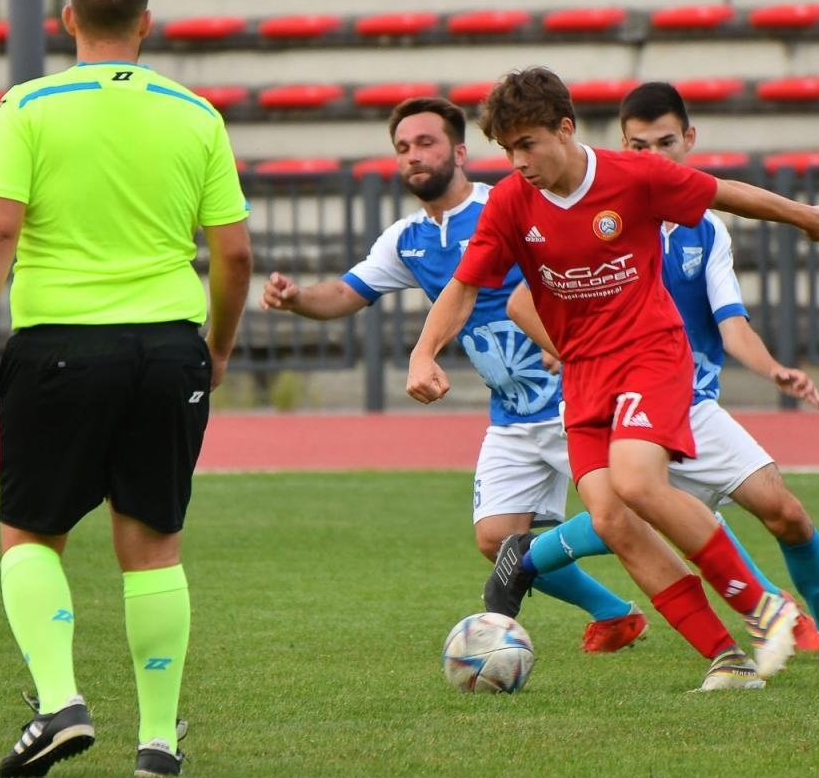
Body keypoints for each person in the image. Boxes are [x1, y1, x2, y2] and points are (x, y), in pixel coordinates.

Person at [407, 67, 819, 688]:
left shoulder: (632, 175)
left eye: (526, 144)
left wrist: (805, 218)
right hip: (584, 375)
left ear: (565, 128)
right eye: (506, 149)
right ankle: (728, 659)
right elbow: (466, 285)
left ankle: (763, 606)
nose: (517, 161)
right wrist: (425, 353)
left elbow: (722, 193)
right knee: (611, 519)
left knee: (638, 480)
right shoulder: (510, 201)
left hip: (652, 354)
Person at [0, 0, 253, 778]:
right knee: (154, 545)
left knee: (31, 535)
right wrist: (216, 348)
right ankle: (158, 739)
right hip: (168, 348)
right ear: (147, 23)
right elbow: (231, 254)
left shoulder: (27, 106)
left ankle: (61, 703)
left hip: (60, 345)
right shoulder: (196, 115)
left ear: (69, 19)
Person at [260, 97, 651, 656]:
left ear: (461, 151)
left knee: (640, 512)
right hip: (512, 414)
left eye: (426, 143)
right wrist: (297, 299)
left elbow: (574, 267)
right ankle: (614, 614)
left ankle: (750, 595)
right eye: (402, 149)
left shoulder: (512, 205)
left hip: (575, 397)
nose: (414, 156)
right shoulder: (407, 239)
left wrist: (567, 339)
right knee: (496, 538)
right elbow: (347, 292)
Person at [510, 82, 819, 664]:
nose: (654, 156)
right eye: (639, 144)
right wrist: (572, 344)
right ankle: (762, 622)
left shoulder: (706, 230)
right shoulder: (595, 204)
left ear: (690, 140)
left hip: (691, 399)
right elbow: (522, 301)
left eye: (666, 143)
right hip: (616, 395)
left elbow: (732, 325)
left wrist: (773, 368)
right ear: (619, 145)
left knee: (781, 509)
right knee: (618, 513)